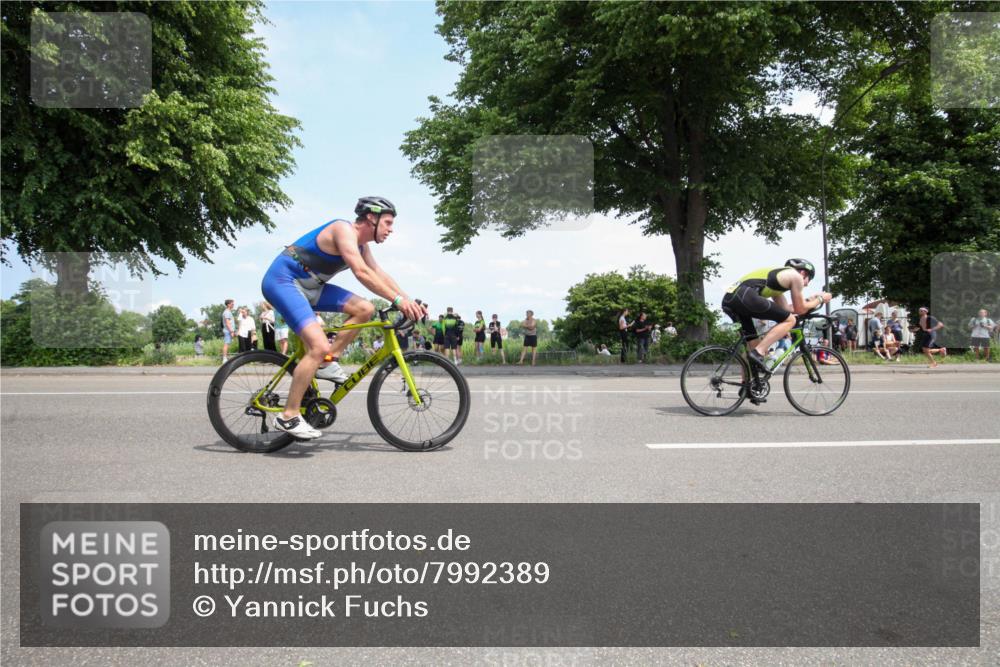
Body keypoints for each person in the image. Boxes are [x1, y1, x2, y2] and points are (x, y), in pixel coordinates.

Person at [260, 196, 424, 440]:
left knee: (364, 309)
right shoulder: (342, 229)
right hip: (284, 281)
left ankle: (326, 361)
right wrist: (397, 302)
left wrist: (410, 301)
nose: (391, 229)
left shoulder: (362, 245)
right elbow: (361, 272)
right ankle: (289, 415)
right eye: (388, 222)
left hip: (311, 286)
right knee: (317, 345)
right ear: (372, 217)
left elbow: (379, 273)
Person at [721, 259, 832, 373]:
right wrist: (820, 299)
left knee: (752, 346)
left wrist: (810, 299)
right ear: (804, 273)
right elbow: (800, 309)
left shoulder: (777, 281)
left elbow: (787, 309)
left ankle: (746, 387)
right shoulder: (796, 276)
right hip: (744, 295)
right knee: (790, 320)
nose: (807, 284)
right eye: (809, 279)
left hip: (730, 299)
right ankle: (759, 352)